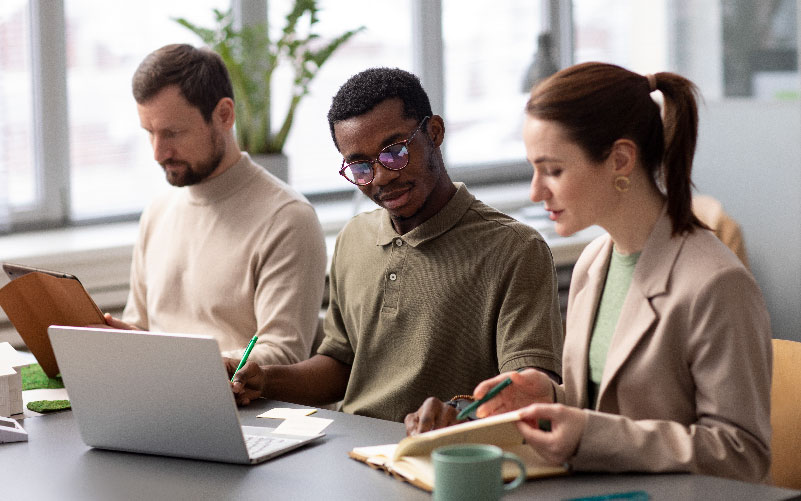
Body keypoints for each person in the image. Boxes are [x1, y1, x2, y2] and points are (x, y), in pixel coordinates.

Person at [406, 62, 772, 483]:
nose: (535, 191)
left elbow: (742, 455)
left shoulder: (717, 285)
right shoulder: (593, 264)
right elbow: (608, 408)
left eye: (553, 170)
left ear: (620, 159)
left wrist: (587, 434)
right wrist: (551, 397)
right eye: (533, 168)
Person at [227, 67, 564, 422]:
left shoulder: (515, 249)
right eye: (360, 166)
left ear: (434, 133)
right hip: (349, 449)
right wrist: (263, 378)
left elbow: (528, 392)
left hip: (442, 456)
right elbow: (341, 366)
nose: (383, 176)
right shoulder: (353, 239)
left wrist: (458, 413)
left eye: (395, 151)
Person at [105, 44, 327, 366]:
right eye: (150, 133)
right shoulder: (157, 212)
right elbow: (141, 328)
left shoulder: (288, 219)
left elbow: (283, 355)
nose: (158, 152)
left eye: (172, 133)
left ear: (224, 115)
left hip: (245, 411)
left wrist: (187, 367)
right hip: (160, 400)